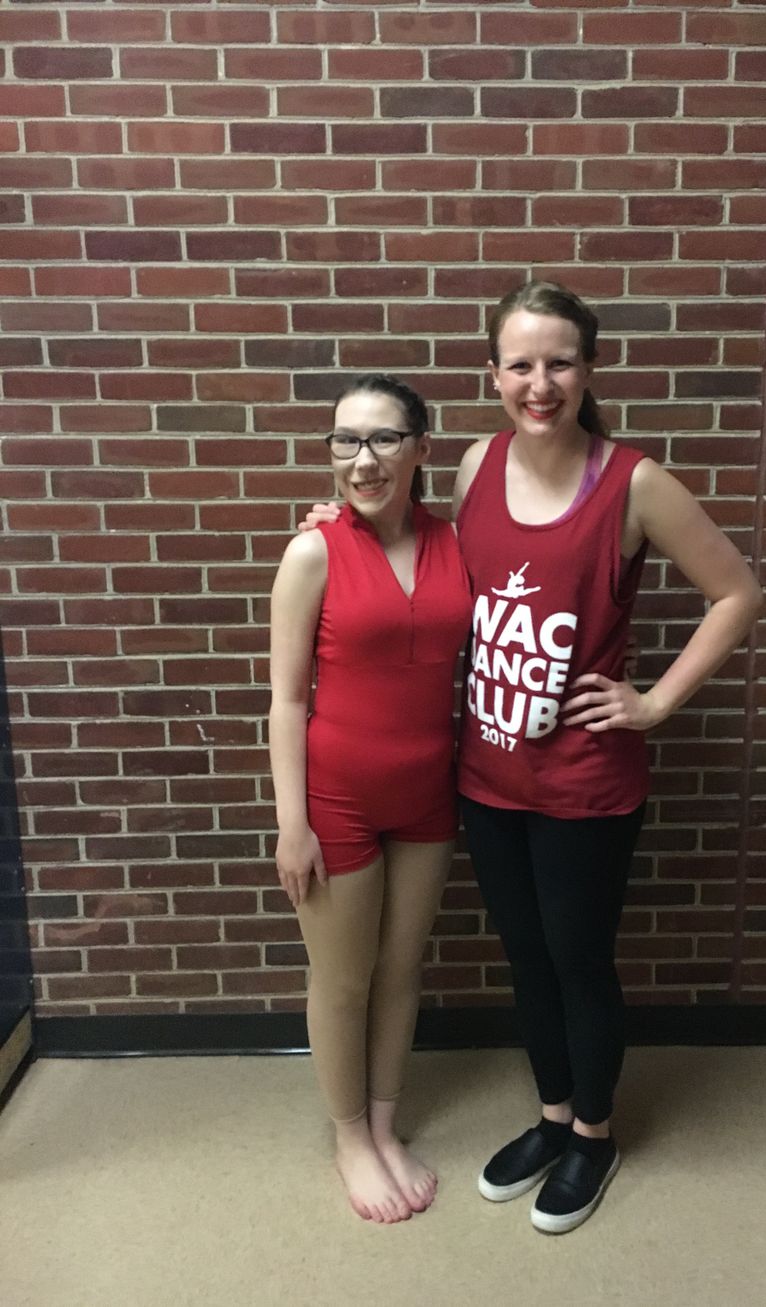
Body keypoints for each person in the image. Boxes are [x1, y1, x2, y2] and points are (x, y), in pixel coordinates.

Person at [304, 280, 763, 1234]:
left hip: (586, 783)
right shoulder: (475, 465)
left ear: (589, 369)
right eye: (520, 363)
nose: (539, 382)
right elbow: (404, 534)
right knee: (526, 958)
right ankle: (553, 1116)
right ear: (495, 374)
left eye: (559, 362)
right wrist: (330, 522)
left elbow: (737, 592)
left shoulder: (632, 481)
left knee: (578, 959)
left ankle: (594, 1134)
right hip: (488, 776)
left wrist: (656, 701)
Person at [269, 373, 472, 1224]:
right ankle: (350, 1137)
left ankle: (386, 1125)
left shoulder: (457, 542)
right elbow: (286, 700)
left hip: (428, 793)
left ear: (422, 448)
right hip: (338, 798)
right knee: (344, 978)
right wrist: (293, 825)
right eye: (346, 440)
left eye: (384, 438)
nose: (363, 460)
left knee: (400, 970)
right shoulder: (314, 551)